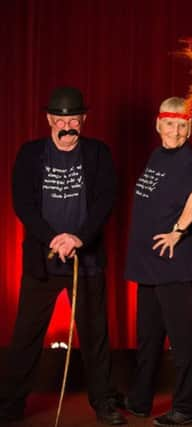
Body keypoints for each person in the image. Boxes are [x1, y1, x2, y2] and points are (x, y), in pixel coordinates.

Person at [0, 87, 125, 425]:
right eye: (61, 119)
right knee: (26, 333)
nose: (67, 125)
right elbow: (22, 203)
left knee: (95, 334)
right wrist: (54, 238)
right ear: (50, 120)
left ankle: (103, 402)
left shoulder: (98, 153)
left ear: (83, 120)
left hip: (86, 261)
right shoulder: (30, 154)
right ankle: (10, 403)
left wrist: (78, 238)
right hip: (43, 260)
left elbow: (105, 200)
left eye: (74, 119)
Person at [123, 95, 192, 426]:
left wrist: (178, 230)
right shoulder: (159, 155)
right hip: (149, 265)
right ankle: (140, 399)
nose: (175, 131)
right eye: (170, 123)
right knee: (148, 337)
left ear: (189, 129)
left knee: (182, 339)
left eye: (182, 125)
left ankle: (185, 407)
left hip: (174, 265)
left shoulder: (186, 160)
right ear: (158, 123)